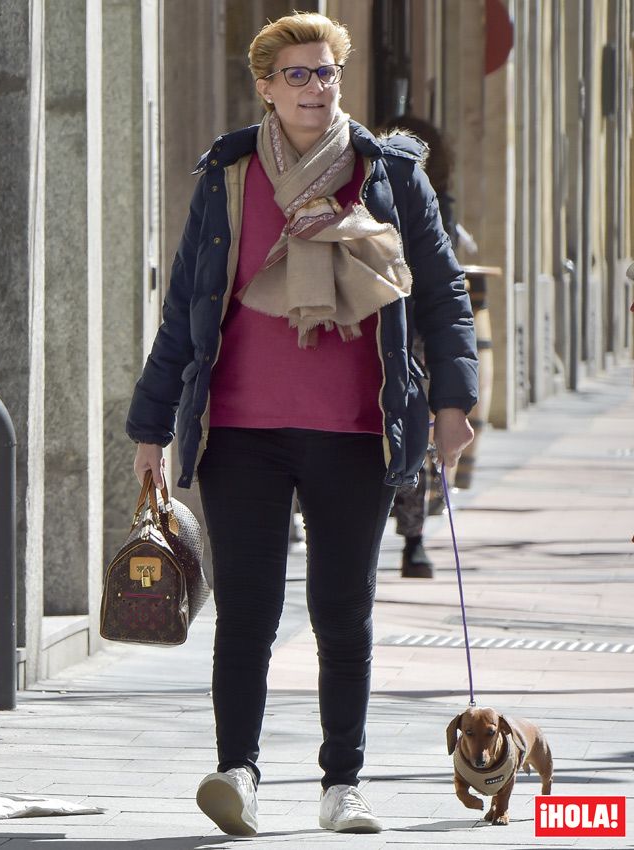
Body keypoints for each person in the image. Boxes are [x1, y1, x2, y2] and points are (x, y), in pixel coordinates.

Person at [127, 12, 477, 837]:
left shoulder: (388, 175)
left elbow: (441, 295)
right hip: (239, 432)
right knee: (247, 606)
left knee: (340, 609)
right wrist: (151, 425)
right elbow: (185, 308)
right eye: (299, 76)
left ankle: (341, 783)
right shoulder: (229, 174)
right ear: (266, 87)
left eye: (327, 74)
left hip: (355, 429)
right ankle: (238, 771)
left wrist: (454, 402)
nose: (316, 89)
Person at [379, 113, 459, 579]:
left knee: (413, 429)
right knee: (410, 431)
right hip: (399, 326)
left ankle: (413, 539)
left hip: (410, 330)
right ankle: (414, 541)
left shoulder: (426, 198)